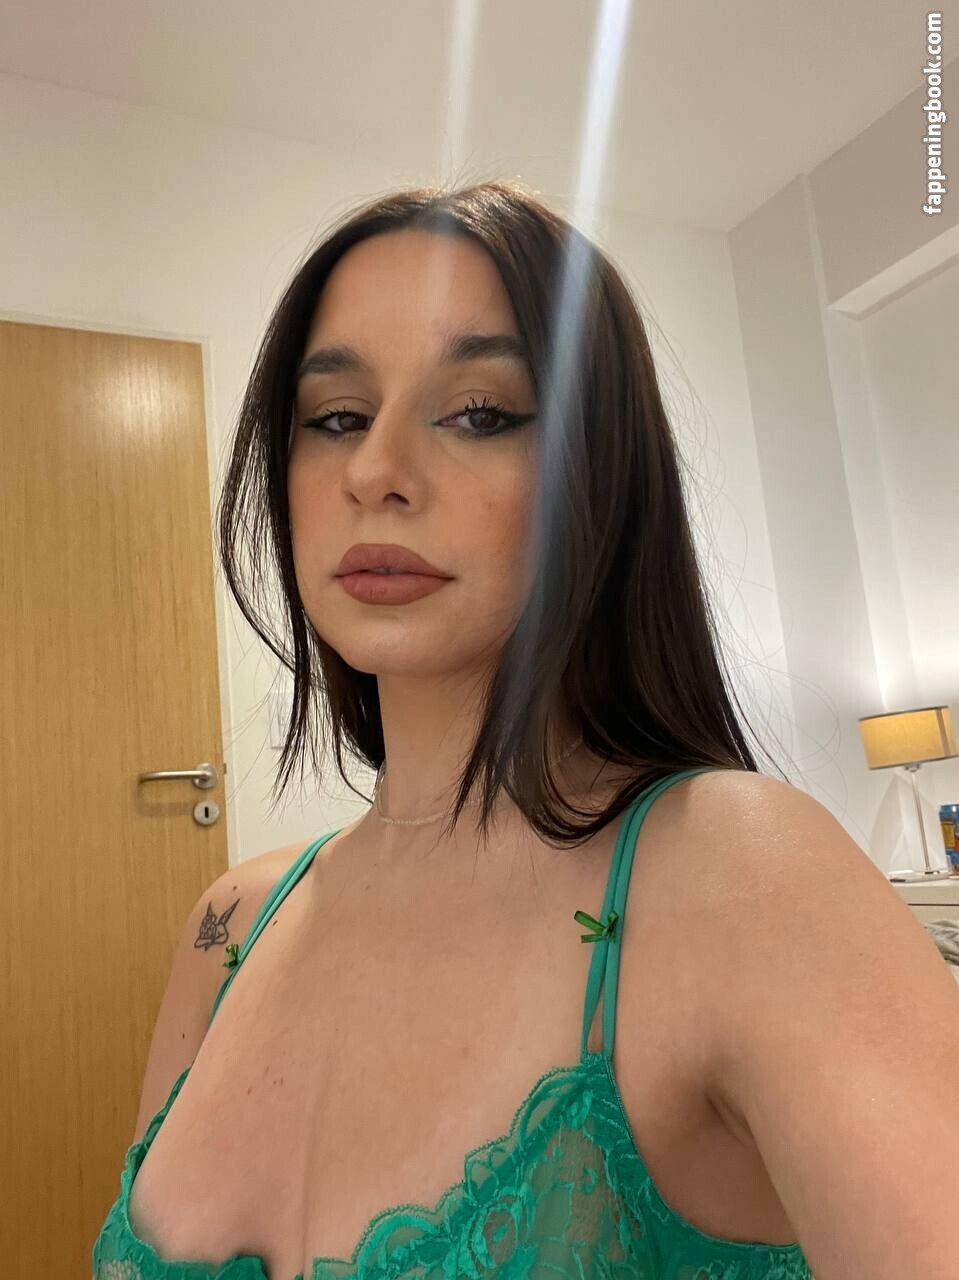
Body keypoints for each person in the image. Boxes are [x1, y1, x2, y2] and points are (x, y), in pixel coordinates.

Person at [92, 181, 958, 1280]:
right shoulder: (226, 929)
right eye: (336, 418)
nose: (373, 471)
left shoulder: (740, 872)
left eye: (479, 413)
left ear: (600, 472)